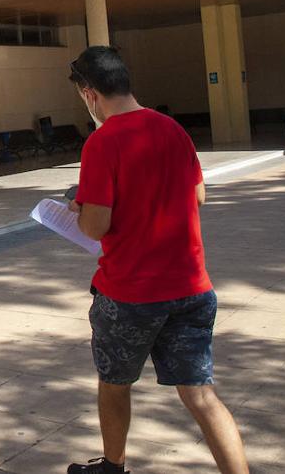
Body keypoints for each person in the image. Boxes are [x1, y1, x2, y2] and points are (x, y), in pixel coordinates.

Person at [65, 46, 249, 474]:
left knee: (114, 384)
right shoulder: (173, 130)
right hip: (191, 288)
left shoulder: (102, 142)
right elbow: (198, 195)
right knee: (200, 394)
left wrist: (79, 207)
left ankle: (113, 467)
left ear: (90, 94)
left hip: (130, 293)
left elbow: (95, 226)